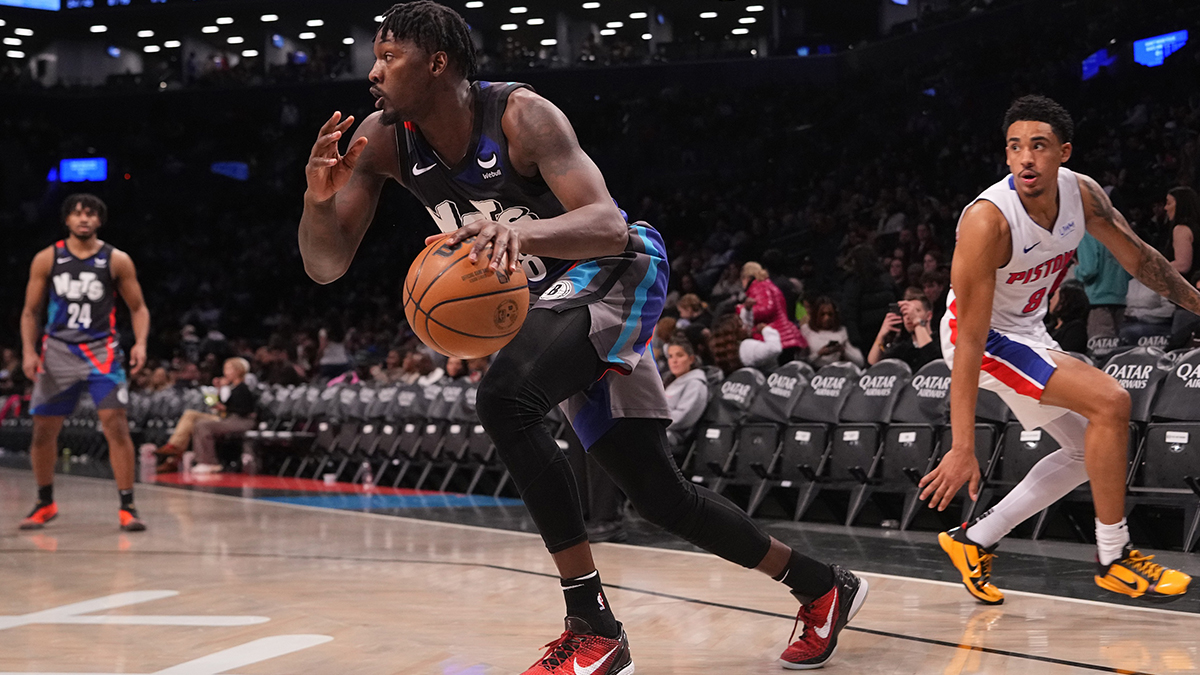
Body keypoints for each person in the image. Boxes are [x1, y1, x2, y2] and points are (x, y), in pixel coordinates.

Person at [297, 4, 866, 672]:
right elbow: (325, 265)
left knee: (505, 397)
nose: (373, 70)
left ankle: (591, 624)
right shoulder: (384, 139)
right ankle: (820, 582)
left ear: (437, 61)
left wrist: (522, 232)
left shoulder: (520, 115)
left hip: (619, 270)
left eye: (389, 55)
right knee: (658, 495)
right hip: (557, 302)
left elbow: (608, 226)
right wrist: (317, 201)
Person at [922, 95, 1192, 606]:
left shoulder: (1082, 195)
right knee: (1111, 401)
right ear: (1006, 157)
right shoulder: (988, 221)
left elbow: (1142, 260)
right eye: (1015, 147)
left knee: (1087, 447)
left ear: (1063, 153)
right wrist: (963, 444)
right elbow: (972, 343)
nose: (1026, 158)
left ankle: (972, 540)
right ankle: (1115, 557)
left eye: (1039, 146)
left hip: (1027, 328)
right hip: (977, 336)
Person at [18, 194, 149, 532]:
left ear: (99, 221)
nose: (83, 218)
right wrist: (29, 352)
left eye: (90, 213)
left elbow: (138, 308)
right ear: (67, 220)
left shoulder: (116, 260)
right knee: (43, 431)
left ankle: (127, 506)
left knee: (116, 425)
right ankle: (45, 502)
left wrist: (141, 343)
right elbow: (30, 311)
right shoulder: (47, 258)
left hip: (101, 351)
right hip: (58, 351)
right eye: (77, 213)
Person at [191, 357, 258, 474]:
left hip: (242, 421)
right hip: (232, 419)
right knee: (199, 424)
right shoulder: (233, 388)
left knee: (204, 426)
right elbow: (224, 405)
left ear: (238, 370)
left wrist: (225, 408)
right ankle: (203, 461)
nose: (225, 372)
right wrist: (219, 389)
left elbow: (245, 410)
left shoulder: (243, 388)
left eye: (229, 369)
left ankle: (209, 462)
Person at [740, 261, 806, 363]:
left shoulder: (758, 287)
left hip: (777, 337)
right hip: (784, 335)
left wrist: (744, 309)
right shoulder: (768, 285)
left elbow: (767, 308)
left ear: (747, 277)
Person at [1073, 231, 1129, 348]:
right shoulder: (1121, 232)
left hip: (1098, 302)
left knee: (1101, 353)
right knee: (1115, 352)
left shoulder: (1089, 234)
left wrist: (1077, 269)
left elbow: (1088, 270)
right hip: (1120, 301)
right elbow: (1132, 269)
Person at [867, 294, 939, 370]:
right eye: (905, 314)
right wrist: (881, 335)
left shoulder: (941, 341)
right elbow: (872, 367)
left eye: (915, 311)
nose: (909, 317)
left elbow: (934, 365)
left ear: (929, 316)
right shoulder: (902, 348)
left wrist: (917, 322)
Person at [662, 337, 708, 448]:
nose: (674, 361)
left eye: (679, 355)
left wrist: (654, 423)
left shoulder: (696, 384)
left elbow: (683, 417)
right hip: (659, 429)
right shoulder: (670, 381)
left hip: (674, 437)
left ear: (691, 359)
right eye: (670, 356)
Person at [800, 297, 865, 368]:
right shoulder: (806, 330)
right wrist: (819, 354)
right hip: (813, 371)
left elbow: (860, 362)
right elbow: (800, 361)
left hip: (836, 372)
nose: (827, 318)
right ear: (816, 315)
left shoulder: (843, 331)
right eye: (822, 314)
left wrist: (843, 351)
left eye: (830, 314)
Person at [1045, 280, 1089, 354]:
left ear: (1064, 301)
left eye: (1055, 296)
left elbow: (1068, 355)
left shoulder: (1076, 328)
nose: (1051, 301)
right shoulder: (1050, 327)